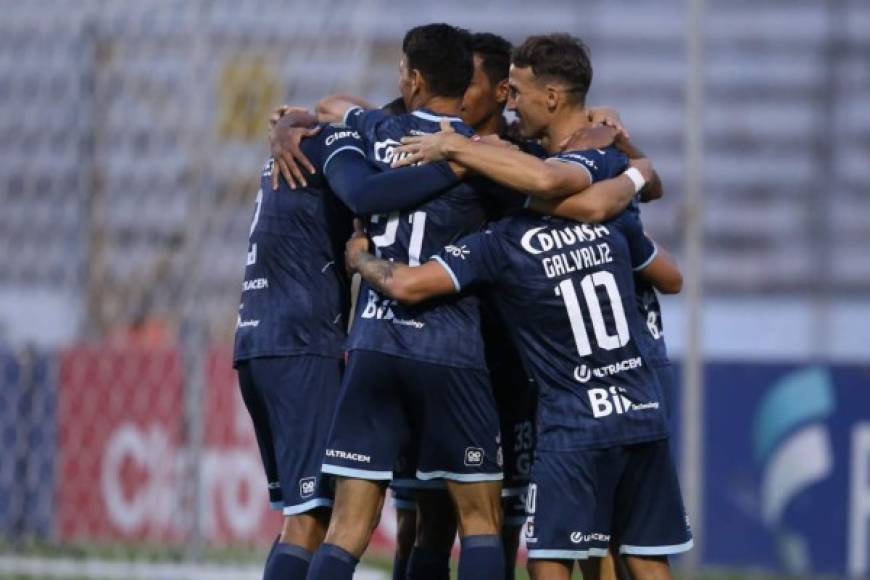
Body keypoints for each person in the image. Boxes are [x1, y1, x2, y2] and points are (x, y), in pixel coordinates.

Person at [387, 33, 693, 580]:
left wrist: (461, 152)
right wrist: (640, 169)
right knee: (622, 545)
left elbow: (575, 192)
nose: (508, 101)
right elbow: (664, 263)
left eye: (517, 90)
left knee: (563, 551)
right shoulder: (586, 159)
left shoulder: (579, 165)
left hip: (579, 396)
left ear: (550, 96)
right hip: (621, 388)